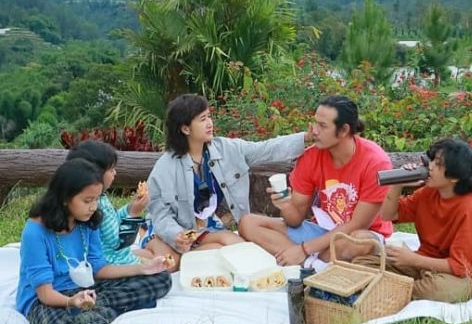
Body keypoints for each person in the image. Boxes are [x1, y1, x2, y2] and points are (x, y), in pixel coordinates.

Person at [146, 93, 310, 269]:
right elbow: (160, 215)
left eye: (209, 116)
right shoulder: (165, 167)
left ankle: (187, 259)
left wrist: (305, 138)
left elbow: (266, 149)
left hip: (205, 229)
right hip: (176, 232)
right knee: (229, 245)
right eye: (202, 119)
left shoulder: (226, 149)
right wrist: (177, 235)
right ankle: (175, 256)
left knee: (229, 246)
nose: (210, 123)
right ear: (186, 129)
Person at [16, 159, 172, 324]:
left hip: (87, 289)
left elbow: (99, 269)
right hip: (47, 298)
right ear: (65, 199)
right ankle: (114, 308)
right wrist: (71, 301)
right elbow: (45, 293)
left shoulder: (88, 221)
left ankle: (95, 307)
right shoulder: (35, 232)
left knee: (161, 278)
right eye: (87, 200)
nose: (93, 206)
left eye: (97, 199)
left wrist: (145, 268)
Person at [239, 95, 393, 266]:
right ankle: (312, 264)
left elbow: (357, 225)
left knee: (359, 241)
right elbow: (294, 219)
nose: (314, 131)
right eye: (315, 123)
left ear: (343, 130)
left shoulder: (376, 162)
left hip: (359, 234)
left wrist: (304, 249)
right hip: (322, 231)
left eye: (322, 126)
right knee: (248, 223)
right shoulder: (311, 157)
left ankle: (306, 261)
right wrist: (285, 205)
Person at [363, 137, 472, 303]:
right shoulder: (428, 192)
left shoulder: (468, 208)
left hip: (461, 275)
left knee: (440, 290)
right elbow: (388, 215)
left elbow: (460, 266)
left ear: (454, 176)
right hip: (423, 263)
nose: (429, 167)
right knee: (365, 262)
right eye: (431, 161)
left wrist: (412, 259)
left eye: (437, 164)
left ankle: (393, 291)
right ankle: (398, 288)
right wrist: (398, 184)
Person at [65, 139, 154, 266]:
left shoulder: (100, 198)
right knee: (160, 275)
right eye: (111, 169)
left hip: (115, 256)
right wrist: (134, 214)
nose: (115, 173)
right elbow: (118, 242)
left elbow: (113, 220)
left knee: (153, 259)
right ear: (96, 173)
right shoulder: (97, 205)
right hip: (112, 261)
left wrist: (129, 208)